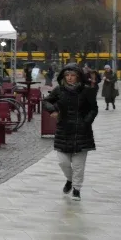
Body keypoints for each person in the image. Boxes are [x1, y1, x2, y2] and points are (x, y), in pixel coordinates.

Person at [42, 64, 98, 200]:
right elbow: (45, 101)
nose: (70, 78)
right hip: (64, 130)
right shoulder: (59, 90)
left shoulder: (86, 90)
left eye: (73, 75)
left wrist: (86, 122)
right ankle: (70, 179)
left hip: (82, 131)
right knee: (63, 162)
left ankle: (77, 189)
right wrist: (52, 110)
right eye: (67, 75)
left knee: (79, 165)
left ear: (78, 76)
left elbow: (93, 109)